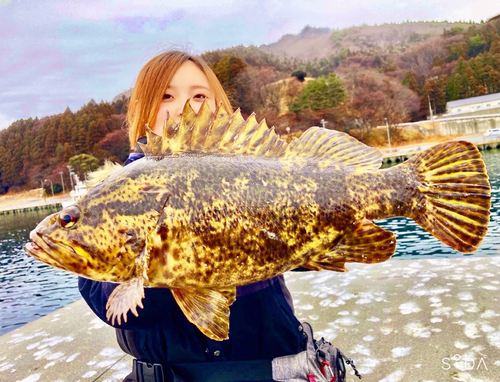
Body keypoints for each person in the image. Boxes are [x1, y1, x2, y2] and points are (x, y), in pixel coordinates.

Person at [78, 51, 308, 382]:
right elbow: (121, 311)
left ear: (220, 107)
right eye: (166, 96)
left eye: (199, 95)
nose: (185, 108)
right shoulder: (107, 199)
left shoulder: (259, 176)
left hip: (271, 366)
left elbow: (299, 248)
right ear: (142, 109)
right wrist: (164, 243)